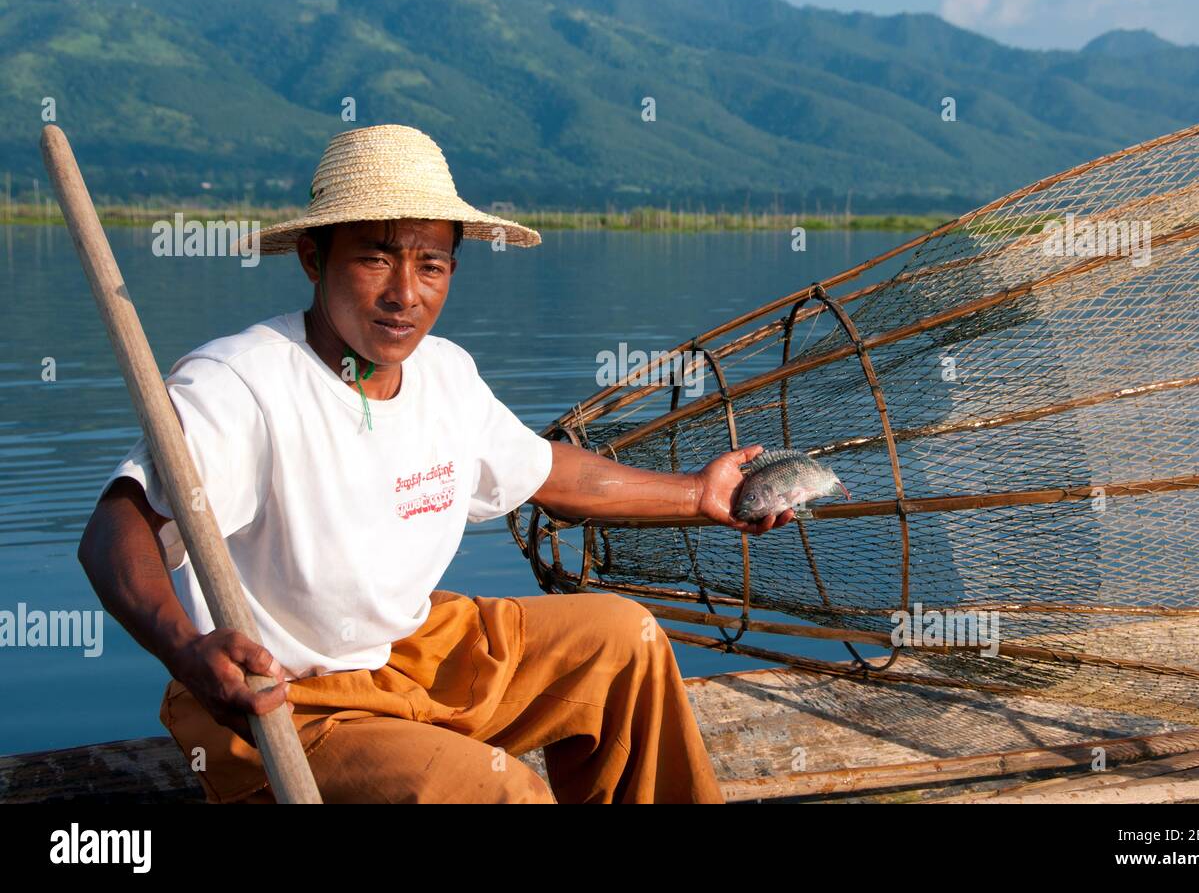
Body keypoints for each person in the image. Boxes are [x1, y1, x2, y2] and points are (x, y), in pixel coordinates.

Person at [78, 124, 794, 804]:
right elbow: (116, 530)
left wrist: (700, 492)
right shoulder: (242, 384)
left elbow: (549, 473)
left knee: (624, 640)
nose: (405, 293)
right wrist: (187, 650)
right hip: (283, 701)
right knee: (499, 791)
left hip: (404, 656)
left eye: (430, 263)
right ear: (313, 258)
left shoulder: (445, 374)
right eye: (375, 257)